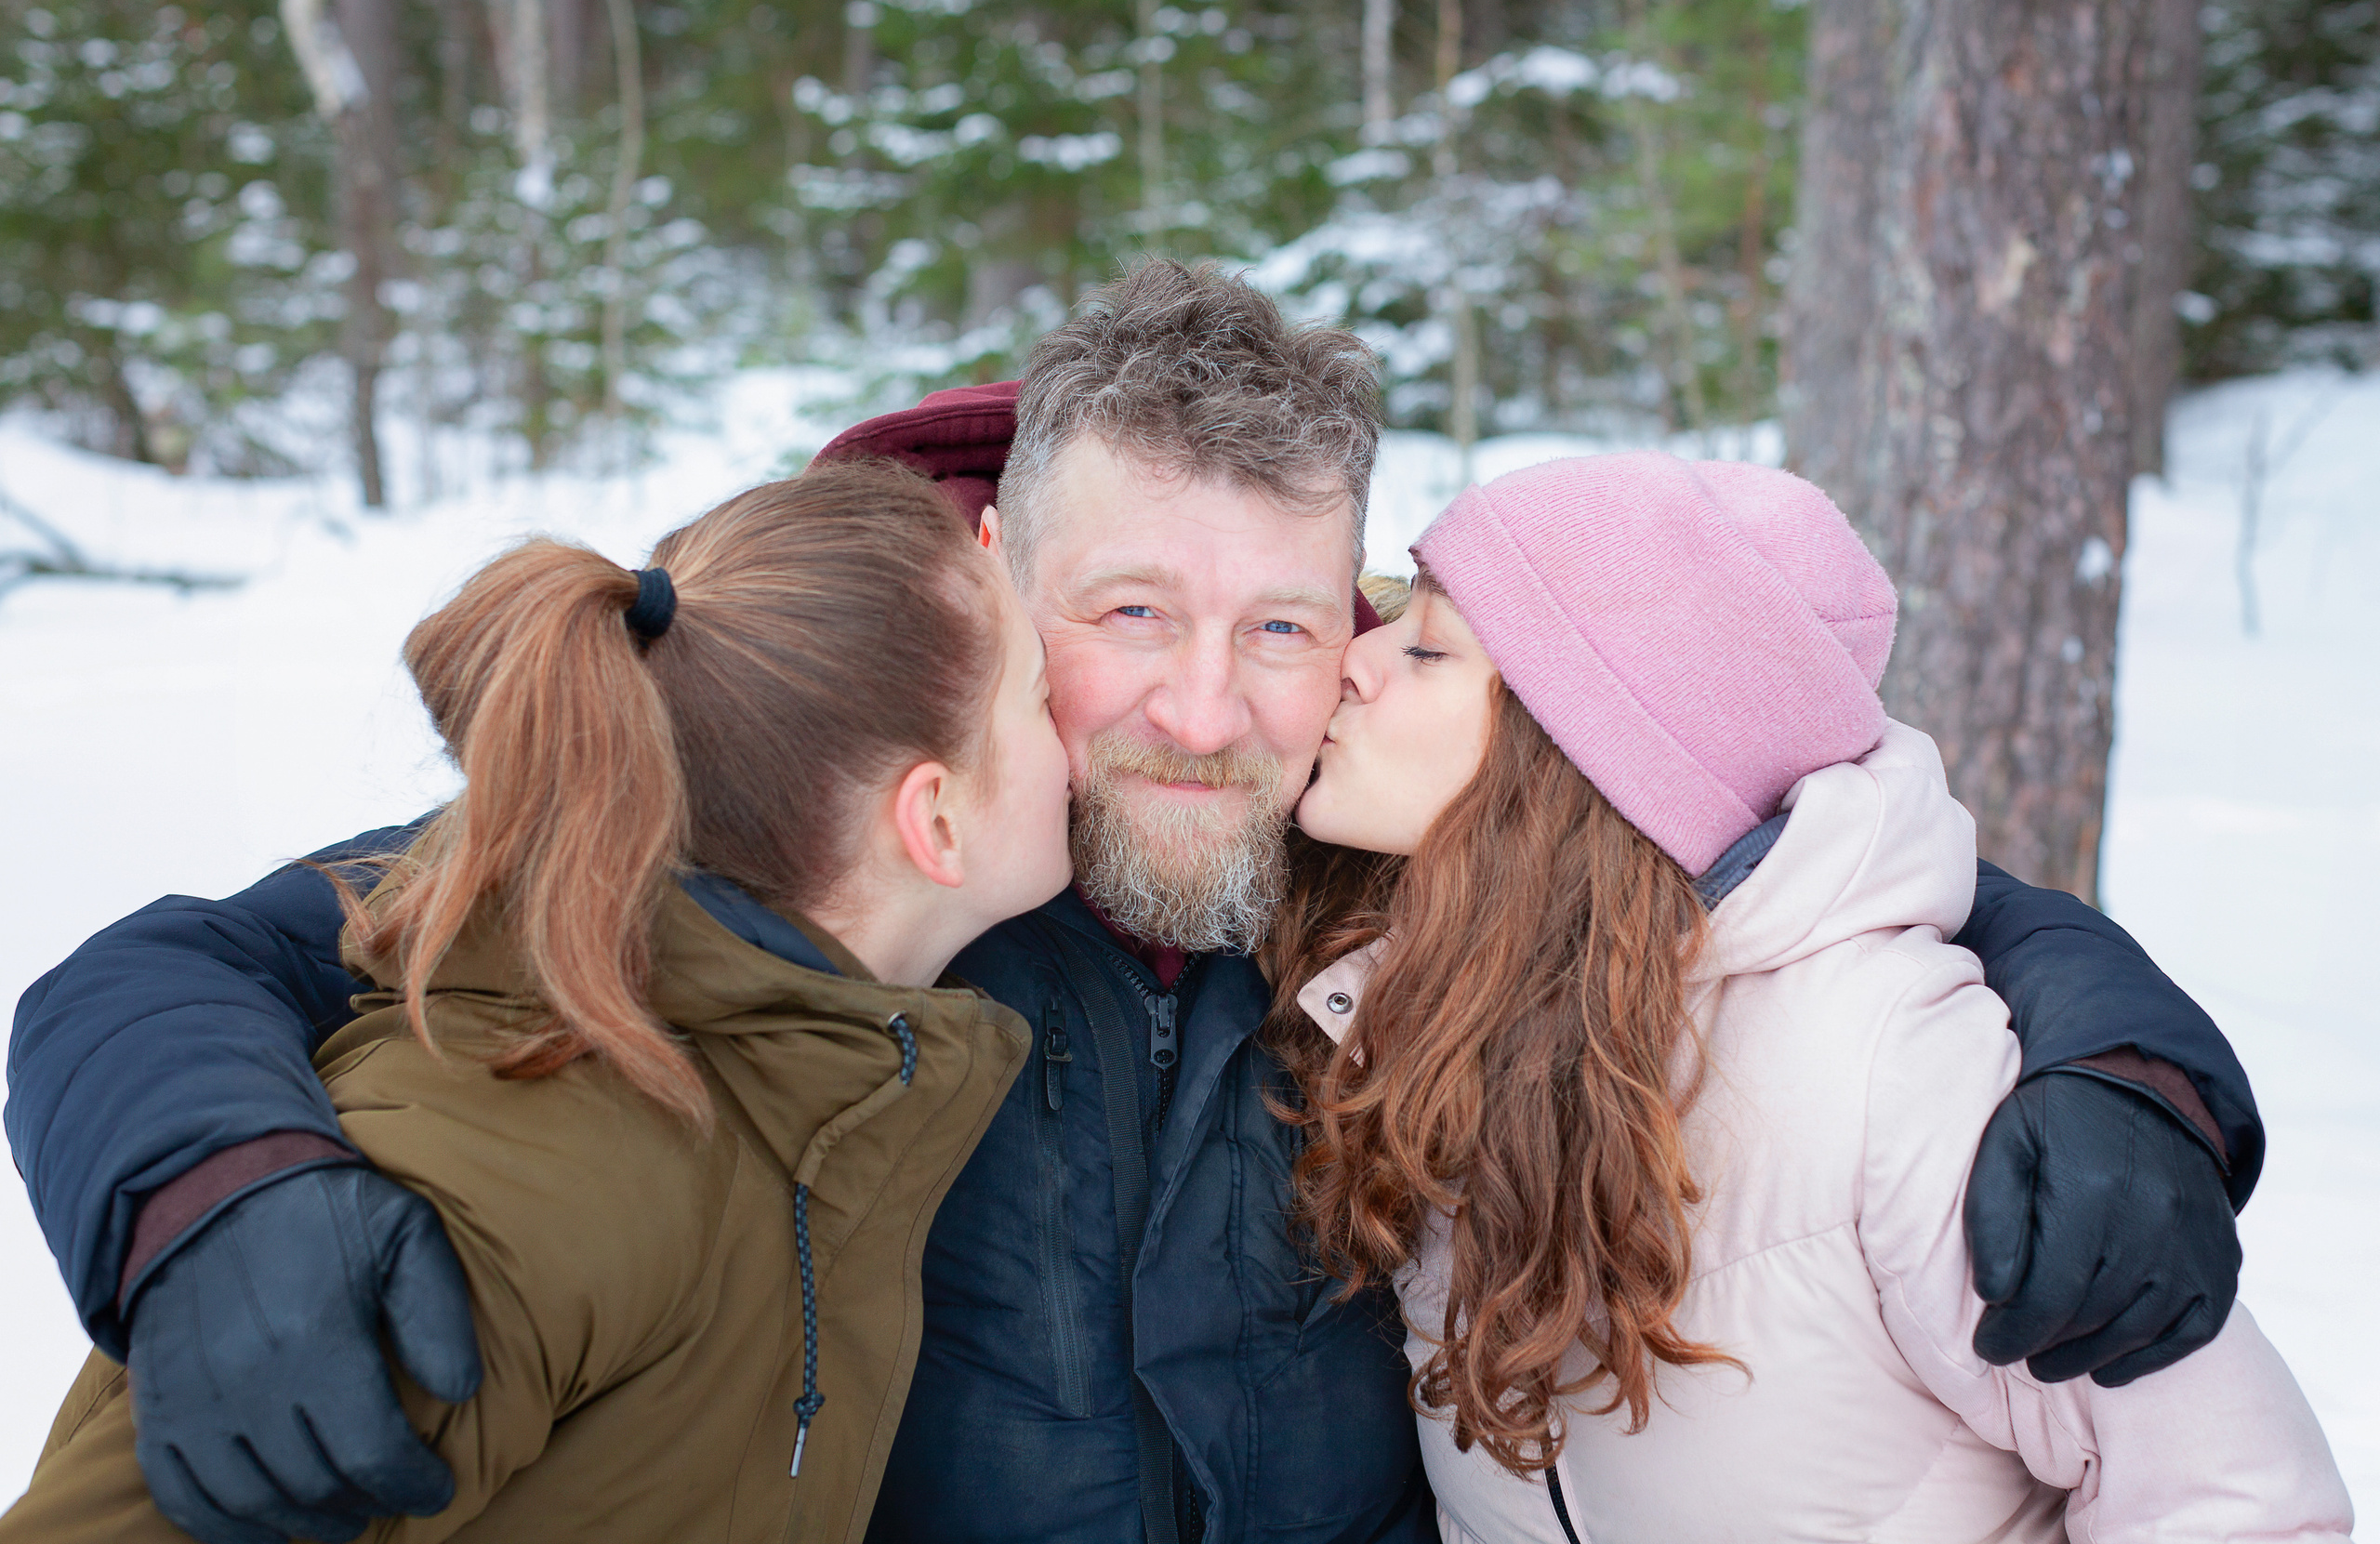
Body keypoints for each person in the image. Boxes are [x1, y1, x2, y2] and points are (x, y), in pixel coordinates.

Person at [8, 264, 2262, 1544]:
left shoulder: (1384, 838)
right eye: (1129, 613)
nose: (1203, 711)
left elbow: (1793, 869)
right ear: (991, 582)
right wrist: (217, 1189)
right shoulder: (843, 835)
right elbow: (203, 952)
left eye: (1283, 623)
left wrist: (2118, 1056)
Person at [1278, 454, 2351, 1542]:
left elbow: (2240, 1501)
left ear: (1582, 756)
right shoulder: (1425, 1025)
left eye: (1427, 649)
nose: (1352, 662)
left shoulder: (1884, 1072)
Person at [2, 459, 1076, 1543]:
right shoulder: (528, 1193)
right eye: (1038, 697)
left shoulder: (799, 1066)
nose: (1075, 737)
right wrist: (217, 1194)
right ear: (932, 822)